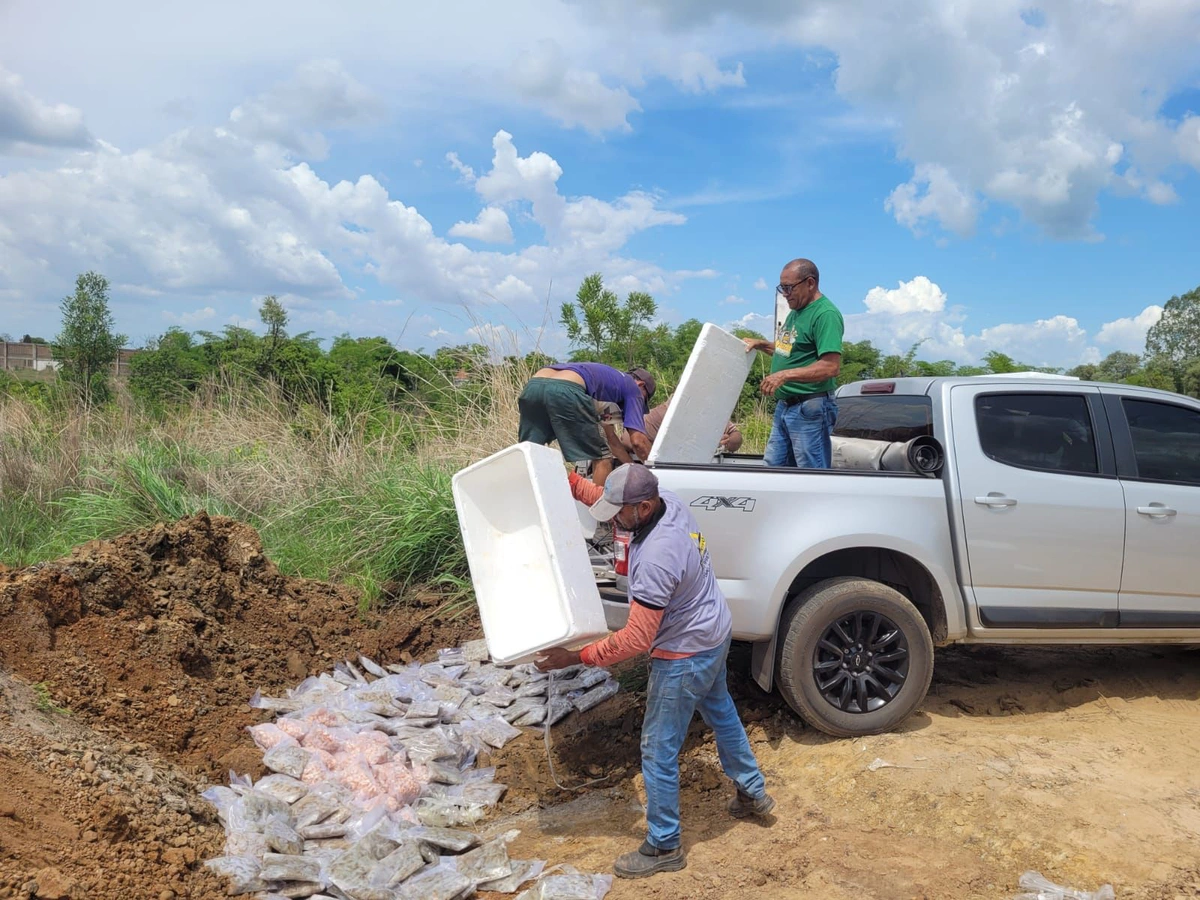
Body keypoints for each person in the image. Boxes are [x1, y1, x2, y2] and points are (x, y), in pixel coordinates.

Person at [536, 465, 774, 879]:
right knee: (720, 711)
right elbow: (607, 501)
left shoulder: (657, 557)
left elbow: (634, 640)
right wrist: (570, 482)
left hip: (683, 654)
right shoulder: (669, 502)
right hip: (713, 629)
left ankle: (664, 845)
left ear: (643, 508)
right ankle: (752, 792)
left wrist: (573, 657)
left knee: (657, 748)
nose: (611, 519)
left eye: (619, 512)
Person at [743, 258, 843, 468]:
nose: (785, 294)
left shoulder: (825, 314)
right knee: (773, 468)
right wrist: (762, 345)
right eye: (782, 288)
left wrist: (783, 376)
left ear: (810, 283)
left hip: (809, 406)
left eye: (789, 288)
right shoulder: (796, 312)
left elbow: (831, 367)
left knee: (811, 473)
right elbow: (789, 352)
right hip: (786, 406)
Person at [518, 362, 656, 485]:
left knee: (529, 452)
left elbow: (611, 439)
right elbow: (638, 441)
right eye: (644, 399)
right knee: (602, 459)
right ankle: (597, 511)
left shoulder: (609, 382)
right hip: (566, 388)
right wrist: (655, 475)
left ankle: (522, 497)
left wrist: (631, 467)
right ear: (641, 385)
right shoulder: (633, 388)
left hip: (534, 385)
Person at [615, 398, 743, 461]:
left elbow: (736, 436)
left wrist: (729, 442)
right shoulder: (662, 414)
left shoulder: (709, 413)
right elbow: (626, 439)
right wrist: (655, 449)